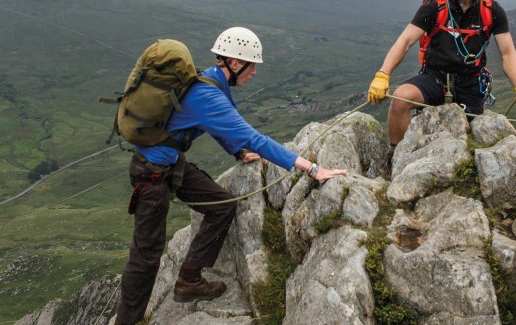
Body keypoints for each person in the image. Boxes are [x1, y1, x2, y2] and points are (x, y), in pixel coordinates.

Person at [114, 27, 347, 325]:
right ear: (236, 64)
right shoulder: (207, 94)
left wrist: (238, 152)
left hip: (169, 165)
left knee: (222, 205)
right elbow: (253, 137)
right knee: (146, 256)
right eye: (253, 66)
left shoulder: (213, 81)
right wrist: (313, 169)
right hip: (151, 175)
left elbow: (224, 128)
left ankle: (188, 279)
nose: (254, 72)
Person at [367, 0, 516, 159]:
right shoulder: (434, 6)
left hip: (470, 83)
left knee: (476, 141)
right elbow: (405, 41)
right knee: (400, 100)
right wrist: (383, 74)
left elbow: (508, 52)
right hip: (435, 77)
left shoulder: (491, 10)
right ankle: (395, 159)